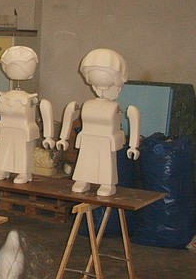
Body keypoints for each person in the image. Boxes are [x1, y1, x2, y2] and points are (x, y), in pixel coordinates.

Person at [56, 48, 140, 196]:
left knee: (106, 163)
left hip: (107, 140)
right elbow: (69, 113)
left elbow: (134, 118)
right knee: (85, 160)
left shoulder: (115, 107)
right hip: (87, 137)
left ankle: (107, 184)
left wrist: (133, 145)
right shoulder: (87, 104)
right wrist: (63, 137)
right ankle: (82, 180)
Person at [0, 46, 54, 183]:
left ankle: (24, 172)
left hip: (23, 130)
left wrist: (49, 136)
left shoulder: (30, 99)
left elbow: (46, 109)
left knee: (23, 151)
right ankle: (2, 169)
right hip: (5, 129)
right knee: (3, 150)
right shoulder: (3, 97)